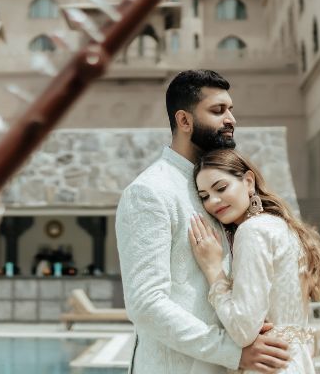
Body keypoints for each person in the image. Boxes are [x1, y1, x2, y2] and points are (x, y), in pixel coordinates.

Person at [115, 70, 293, 374]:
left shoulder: (217, 188)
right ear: (184, 121)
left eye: (231, 110)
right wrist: (232, 352)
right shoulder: (150, 192)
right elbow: (146, 304)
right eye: (217, 111)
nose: (231, 120)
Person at [188, 149, 320, 374]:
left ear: (248, 181)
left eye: (221, 188)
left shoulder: (252, 231)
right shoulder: (281, 226)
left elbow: (243, 329)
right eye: (204, 196)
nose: (213, 201)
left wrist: (212, 269)